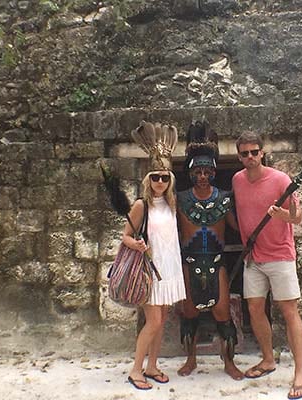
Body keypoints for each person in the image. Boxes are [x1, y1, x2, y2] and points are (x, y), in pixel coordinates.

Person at [231, 131, 302, 400]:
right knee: (254, 308)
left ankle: (300, 372)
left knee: (289, 311)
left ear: (262, 152)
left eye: (254, 152)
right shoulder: (237, 180)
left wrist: (282, 214)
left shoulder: (280, 180)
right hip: (253, 257)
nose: (250, 157)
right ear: (238, 156)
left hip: (280, 256)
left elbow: (297, 218)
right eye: (244, 153)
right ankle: (267, 360)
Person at [173, 121, 244, 380]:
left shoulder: (224, 199)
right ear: (191, 173)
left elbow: (239, 227)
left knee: (222, 312)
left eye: (207, 172)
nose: (202, 176)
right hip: (190, 262)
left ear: (213, 173)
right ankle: (191, 359)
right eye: (198, 172)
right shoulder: (180, 199)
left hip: (217, 261)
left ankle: (229, 362)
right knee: (189, 312)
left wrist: (255, 229)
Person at [123, 121, 185, 390]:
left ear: (170, 179)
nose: (160, 181)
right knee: (154, 321)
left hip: (168, 270)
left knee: (161, 321)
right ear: (148, 179)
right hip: (150, 270)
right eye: (155, 177)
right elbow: (125, 236)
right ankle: (136, 369)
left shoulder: (172, 205)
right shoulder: (140, 205)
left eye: (165, 177)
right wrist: (136, 245)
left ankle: (152, 366)